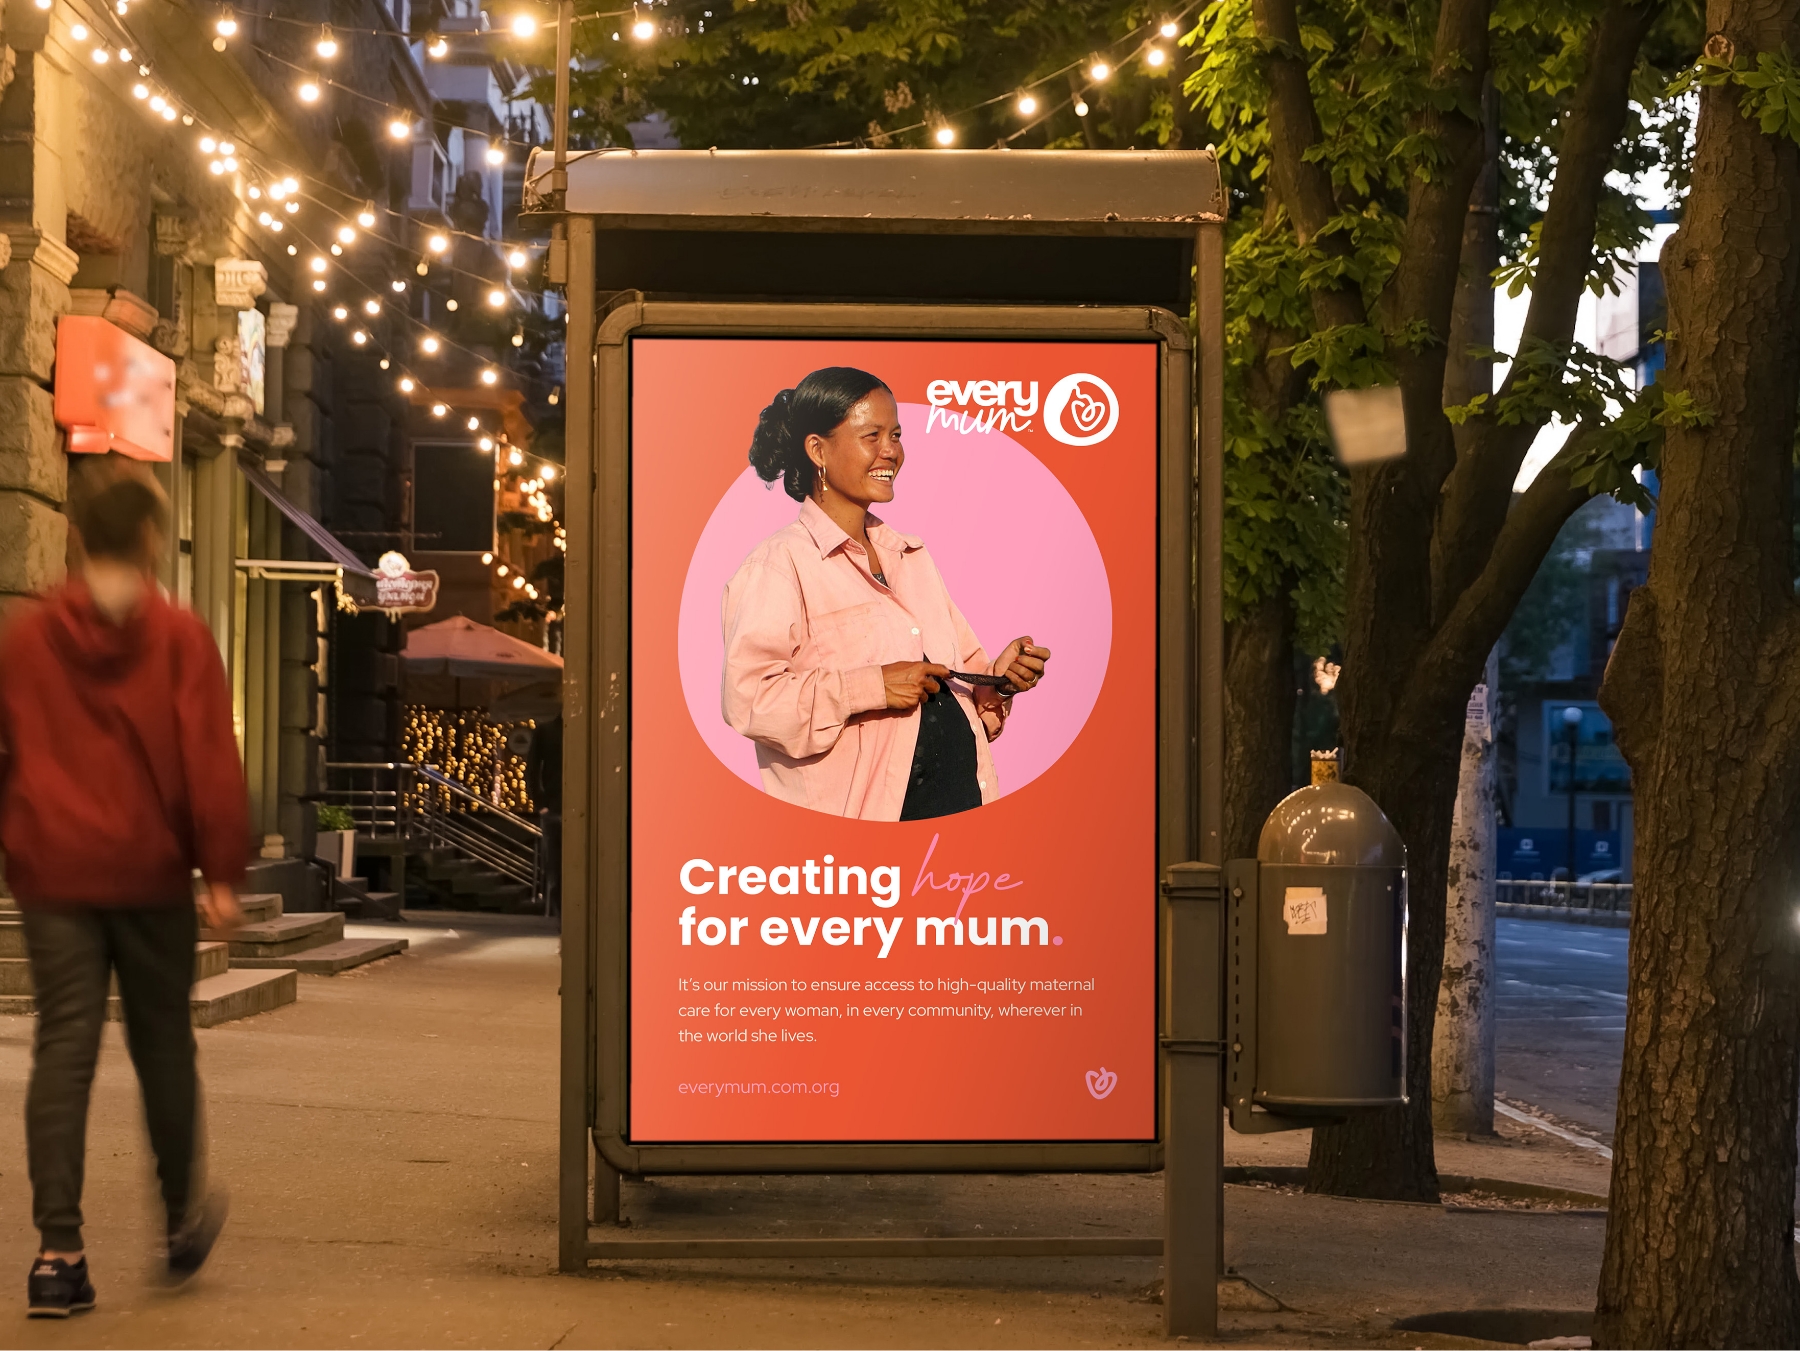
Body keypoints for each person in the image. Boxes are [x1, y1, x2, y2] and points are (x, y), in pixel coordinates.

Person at [0, 461, 243, 1317]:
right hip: (146, 873)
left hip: (53, 873)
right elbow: (210, 759)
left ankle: (57, 1255)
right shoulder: (177, 637)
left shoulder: (24, 641)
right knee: (163, 1046)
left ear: (73, 532)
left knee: (62, 1048)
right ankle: (179, 1220)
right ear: (147, 540)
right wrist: (222, 874)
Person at [722, 367, 1050, 820]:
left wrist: (1000, 679)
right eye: (871, 435)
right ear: (818, 449)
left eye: (896, 434)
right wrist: (872, 685)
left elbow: (963, 679)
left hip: (963, 813)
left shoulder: (913, 557)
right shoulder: (779, 566)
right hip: (863, 849)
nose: (891, 451)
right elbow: (751, 702)